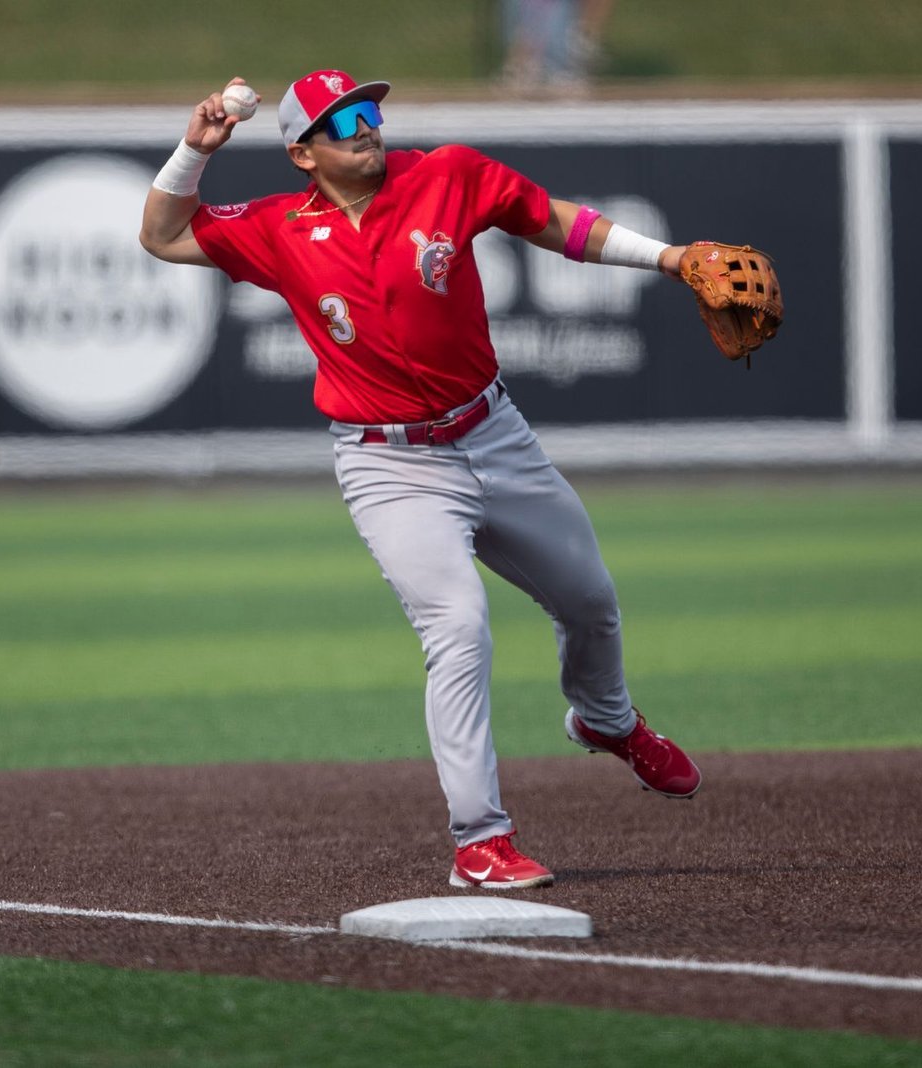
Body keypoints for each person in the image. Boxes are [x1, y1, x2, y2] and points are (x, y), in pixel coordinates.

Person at [139, 70, 702, 890]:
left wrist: (672, 258)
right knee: (459, 630)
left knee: (589, 599)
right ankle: (482, 840)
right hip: (389, 464)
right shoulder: (274, 228)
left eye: (370, 112)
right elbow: (161, 235)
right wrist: (193, 151)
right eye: (343, 122)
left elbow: (553, 222)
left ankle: (607, 721)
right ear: (302, 153)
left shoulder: (447, 175)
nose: (366, 128)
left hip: (494, 433)